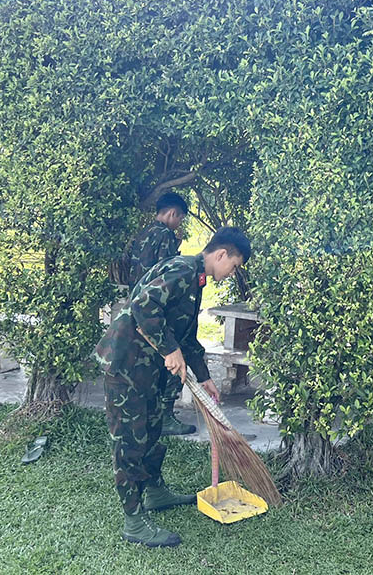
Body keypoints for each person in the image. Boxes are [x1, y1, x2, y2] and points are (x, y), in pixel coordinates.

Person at [94, 227, 251, 547]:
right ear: (221, 254)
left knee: (151, 432)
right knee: (130, 442)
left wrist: (204, 376)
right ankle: (134, 521)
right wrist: (169, 350)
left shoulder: (195, 280)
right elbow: (143, 306)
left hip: (147, 371)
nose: (232, 273)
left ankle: (154, 492)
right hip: (126, 367)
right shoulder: (181, 271)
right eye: (234, 266)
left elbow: (187, 335)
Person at [124, 192, 196, 436]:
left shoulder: (143, 234)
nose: (179, 224)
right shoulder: (165, 236)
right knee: (174, 358)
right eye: (180, 219)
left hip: (137, 305)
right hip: (157, 309)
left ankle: (149, 416)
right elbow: (167, 275)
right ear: (173, 213)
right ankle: (165, 417)